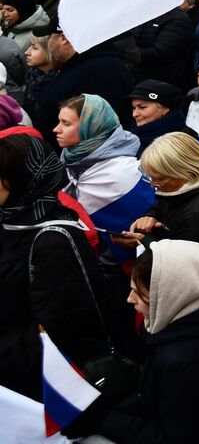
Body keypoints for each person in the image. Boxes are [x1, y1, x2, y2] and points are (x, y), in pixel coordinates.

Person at [76, 240, 199, 444]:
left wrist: (102, 421)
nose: (130, 299)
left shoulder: (186, 362)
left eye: (139, 292)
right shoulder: (195, 328)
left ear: (172, 294)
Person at [0, 129, 115, 400]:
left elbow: (64, 332)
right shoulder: (10, 220)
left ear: (21, 181)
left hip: (35, 388)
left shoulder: (53, 241)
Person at [56, 94, 153, 241]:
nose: (56, 129)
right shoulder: (71, 165)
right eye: (59, 122)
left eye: (66, 123)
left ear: (91, 127)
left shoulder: (126, 172)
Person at [35, 25, 136, 143]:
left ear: (63, 38)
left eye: (49, 37)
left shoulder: (100, 70)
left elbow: (95, 125)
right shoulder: (80, 65)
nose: (48, 42)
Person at [122, 133, 199, 250]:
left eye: (160, 178)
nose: (153, 184)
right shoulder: (177, 191)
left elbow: (187, 259)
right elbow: (165, 203)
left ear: (187, 171)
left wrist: (146, 241)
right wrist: (151, 217)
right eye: (151, 178)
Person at [128, 79, 193, 151]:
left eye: (142, 107)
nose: (135, 114)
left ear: (165, 109)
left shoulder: (181, 144)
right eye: (134, 108)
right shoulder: (131, 139)